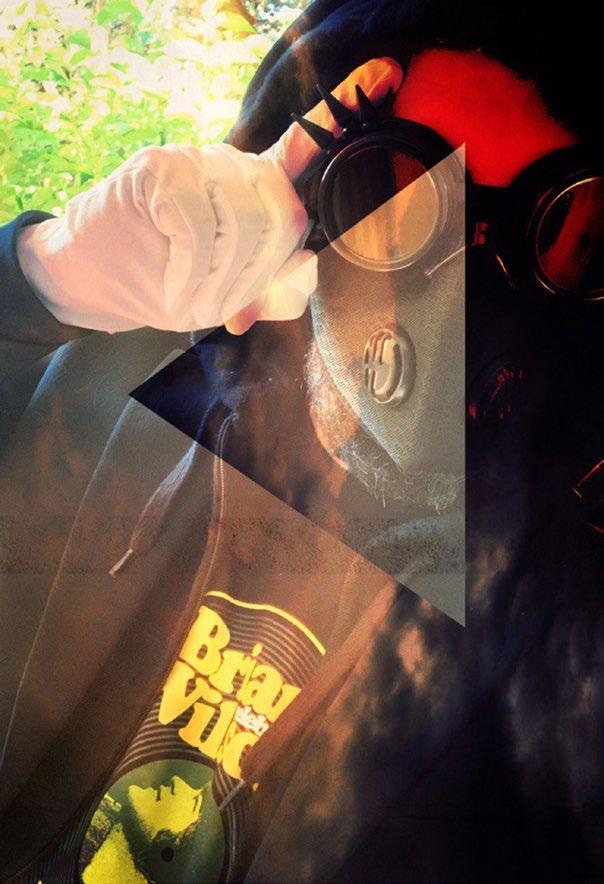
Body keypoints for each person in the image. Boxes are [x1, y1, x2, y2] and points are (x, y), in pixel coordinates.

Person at [1, 0, 602, 881]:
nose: (459, 289)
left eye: (553, 227)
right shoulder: (112, 378)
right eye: (398, 192)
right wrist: (37, 288)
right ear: (304, 203)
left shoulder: (557, 637)